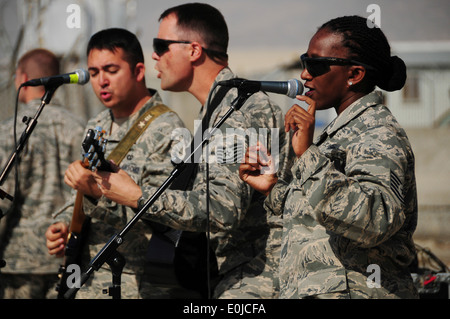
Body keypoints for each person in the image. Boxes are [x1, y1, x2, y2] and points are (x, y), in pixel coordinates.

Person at [91, 3, 293, 299]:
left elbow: (222, 210)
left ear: (194, 50)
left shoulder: (238, 109)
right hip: (236, 275)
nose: (155, 57)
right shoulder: (218, 108)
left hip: (256, 280)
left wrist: (137, 195)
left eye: (161, 46)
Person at [239, 15, 419, 299]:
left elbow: (376, 220)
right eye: (304, 62)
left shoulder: (378, 132)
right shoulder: (339, 133)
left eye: (316, 64)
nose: (304, 74)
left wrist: (307, 155)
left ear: (354, 75)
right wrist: (273, 188)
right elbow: (317, 219)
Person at [45, 28, 186, 299]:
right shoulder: (97, 124)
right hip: (86, 277)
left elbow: (166, 219)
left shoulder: (167, 129)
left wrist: (97, 193)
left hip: (134, 283)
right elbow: (77, 199)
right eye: (94, 73)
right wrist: (64, 225)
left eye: (111, 70)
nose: (101, 81)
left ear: (139, 71)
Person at [0, 48, 85, 299]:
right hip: (66, 256)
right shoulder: (79, 126)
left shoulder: (10, 129)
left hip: (18, 261)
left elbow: (2, 199)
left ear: (23, 78)